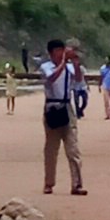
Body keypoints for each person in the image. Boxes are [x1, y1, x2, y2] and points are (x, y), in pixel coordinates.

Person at [41, 38, 88, 198]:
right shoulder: (46, 67)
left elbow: (79, 79)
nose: (61, 54)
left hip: (67, 107)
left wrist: (75, 61)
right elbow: (52, 78)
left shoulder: (68, 67)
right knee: (51, 149)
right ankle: (49, 183)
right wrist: (63, 61)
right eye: (58, 51)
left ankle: (77, 184)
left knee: (73, 148)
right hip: (52, 107)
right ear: (51, 53)